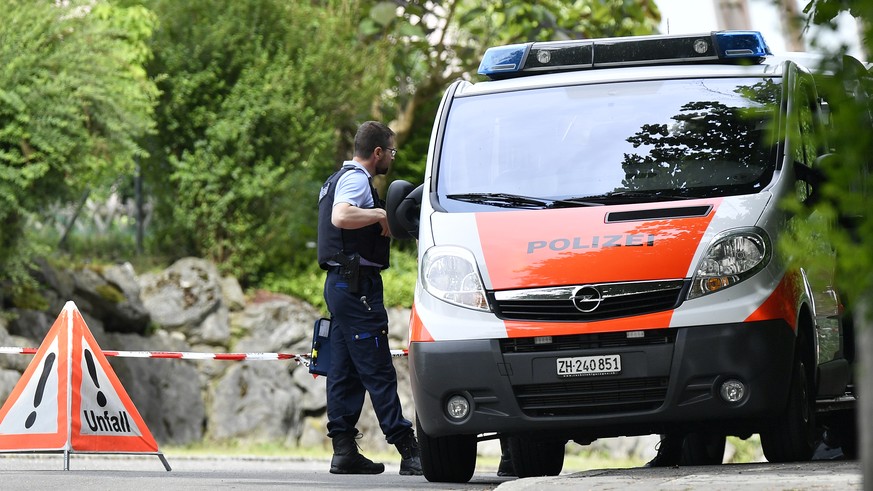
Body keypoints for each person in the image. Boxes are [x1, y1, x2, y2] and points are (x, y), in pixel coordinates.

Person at [316, 121, 422, 476]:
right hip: (356, 287)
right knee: (377, 368)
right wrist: (381, 213)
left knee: (343, 371)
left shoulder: (335, 179)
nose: (391, 157)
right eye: (390, 152)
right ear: (377, 152)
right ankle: (409, 450)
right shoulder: (356, 180)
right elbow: (341, 215)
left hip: (342, 285)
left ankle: (343, 450)